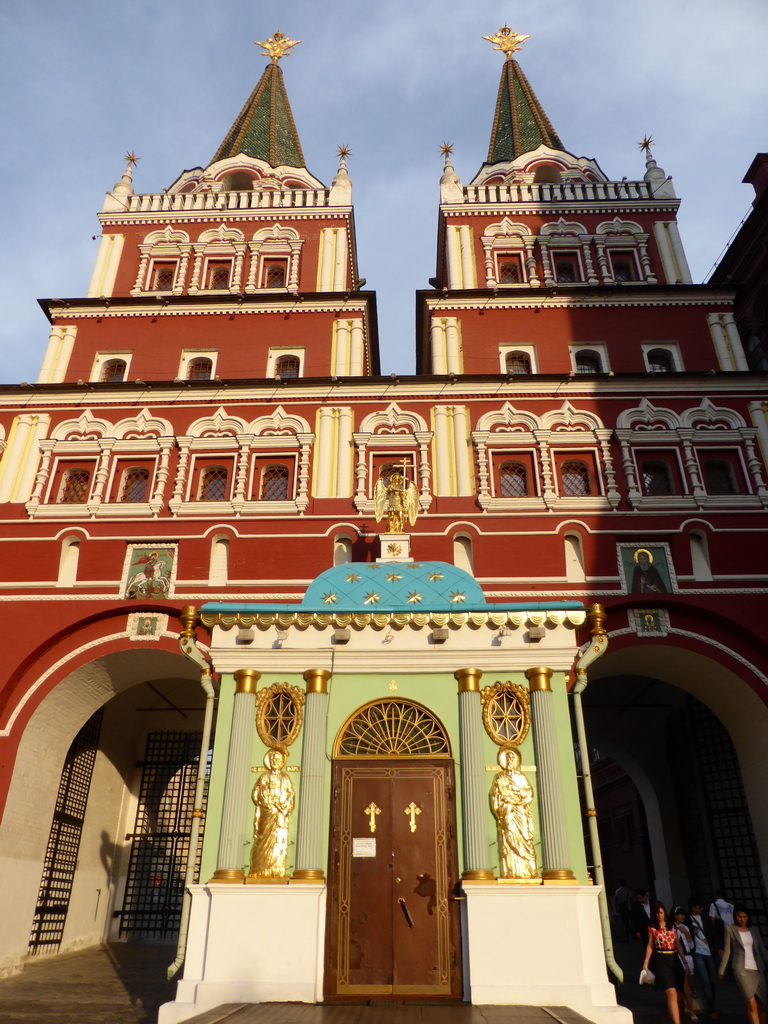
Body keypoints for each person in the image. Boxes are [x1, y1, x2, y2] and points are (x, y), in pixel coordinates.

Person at [489, 745, 538, 878]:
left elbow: (529, 793)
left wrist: (517, 795)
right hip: (508, 811)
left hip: (520, 811)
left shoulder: (521, 777)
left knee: (525, 838)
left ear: (516, 761)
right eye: (508, 758)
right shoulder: (499, 777)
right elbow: (495, 794)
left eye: (512, 758)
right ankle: (510, 871)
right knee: (509, 835)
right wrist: (504, 800)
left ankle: (528, 871)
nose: (510, 761)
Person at [248, 748, 295, 878]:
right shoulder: (264, 777)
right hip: (267, 813)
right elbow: (257, 793)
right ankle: (260, 870)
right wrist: (267, 800)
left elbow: (290, 794)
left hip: (279, 815)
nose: (275, 762)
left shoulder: (285, 778)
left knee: (278, 841)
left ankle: (276, 870)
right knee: (263, 840)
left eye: (278, 760)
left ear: (282, 763)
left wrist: (283, 806)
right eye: (273, 759)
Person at [718, 905, 767, 1024]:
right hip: (742, 970)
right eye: (740, 916)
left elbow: (761, 948)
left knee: (763, 1004)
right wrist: (721, 970)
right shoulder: (731, 929)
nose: (742, 919)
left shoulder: (754, 929)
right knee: (751, 1003)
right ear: (735, 916)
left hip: (757, 969)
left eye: (745, 917)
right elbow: (727, 951)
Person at [642, 901, 685, 1024]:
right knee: (671, 993)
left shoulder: (672, 926)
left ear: (664, 913)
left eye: (661, 912)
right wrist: (646, 961)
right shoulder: (653, 928)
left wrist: (685, 962)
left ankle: (680, 1017)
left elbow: (678, 944)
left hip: (674, 958)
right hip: (661, 959)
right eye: (657, 913)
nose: (659, 915)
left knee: (679, 995)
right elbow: (650, 945)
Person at [689, 896, 719, 1020]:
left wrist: (718, 947)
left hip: (709, 951)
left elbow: (713, 933)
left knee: (712, 980)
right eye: (699, 907)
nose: (701, 909)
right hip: (697, 952)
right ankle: (712, 1008)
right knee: (705, 981)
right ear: (693, 908)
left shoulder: (705, 918)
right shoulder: (687, 919)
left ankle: (713, 1004)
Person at [674, 905, 698, 1021]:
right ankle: (689, 1007)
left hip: (689, 956)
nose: (683, 916)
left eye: (683, 914)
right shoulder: (673, 928)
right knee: (685, 983)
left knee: (690, 981)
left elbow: (691, 945)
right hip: (679, 957)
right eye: (681, 914)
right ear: (676, 916)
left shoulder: (685, 927)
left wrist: (686, 933)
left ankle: (690, 1004)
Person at [709, 891, 735, 957]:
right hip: (732, 929)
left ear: (716, 896)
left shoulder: (713, 905)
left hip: (722, 931)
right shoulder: (731, 906)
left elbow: (712, 919)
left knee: (724, 952)